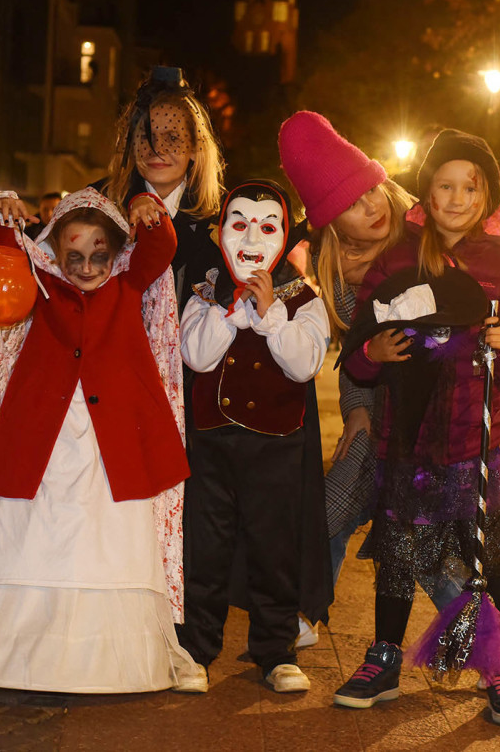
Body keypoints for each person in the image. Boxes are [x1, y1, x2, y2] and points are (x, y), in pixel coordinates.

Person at [0, 187, 200, 693]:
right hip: (40, 436)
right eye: (74, 257)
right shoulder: (39, 283)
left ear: (117, 254)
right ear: (55, 251)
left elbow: (159, 248)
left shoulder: (129, 283)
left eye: (99, 255)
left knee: (109, 536)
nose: (87, 267)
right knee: (24, 530)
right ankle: (9, 655)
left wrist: (147, 210)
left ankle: (102, 664)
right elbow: (0, 256)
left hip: (112, 444)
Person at [335, 130, 500, 724]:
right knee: (398, 556)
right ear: (425, 195)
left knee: (486, 558)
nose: (456, 199)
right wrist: (373, 352)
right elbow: (355, 354)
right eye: (444, 186)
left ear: (488, 197)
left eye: (469, 187)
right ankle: (383, 657)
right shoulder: (396, 262)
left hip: (474, 448)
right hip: (403, 443)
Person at [277, 112, 500, 586]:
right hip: (380, 407)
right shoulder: (338, 277)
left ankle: (485, 636)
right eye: (351, 204)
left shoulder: (434, 226)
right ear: (333, 226)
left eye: (371, 189)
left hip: (445, 416)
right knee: (340, 501)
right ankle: (302, 610)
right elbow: (355, 349)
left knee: (432, 540)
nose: (372, 206)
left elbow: (495, 318)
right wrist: (356, 408)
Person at [175, 180, 331, 693]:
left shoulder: (305, 298)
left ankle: (276, 652)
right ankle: (196, 649)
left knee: (274, 550)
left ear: (284, 235)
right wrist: (230, 311)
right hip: (213, 446)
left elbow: (304, 363)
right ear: (222, 231)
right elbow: (196, 356)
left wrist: (269, 316)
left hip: (276, 446)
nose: (252, 237)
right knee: (206, 549)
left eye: (267, 227)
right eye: (239, 224)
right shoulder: (206, 290)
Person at [98, 66, 224, 307]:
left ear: (196, 148)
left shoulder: (225, 219)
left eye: (173, 138)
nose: (158, 149)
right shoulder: (99, 206)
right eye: (146, 137)